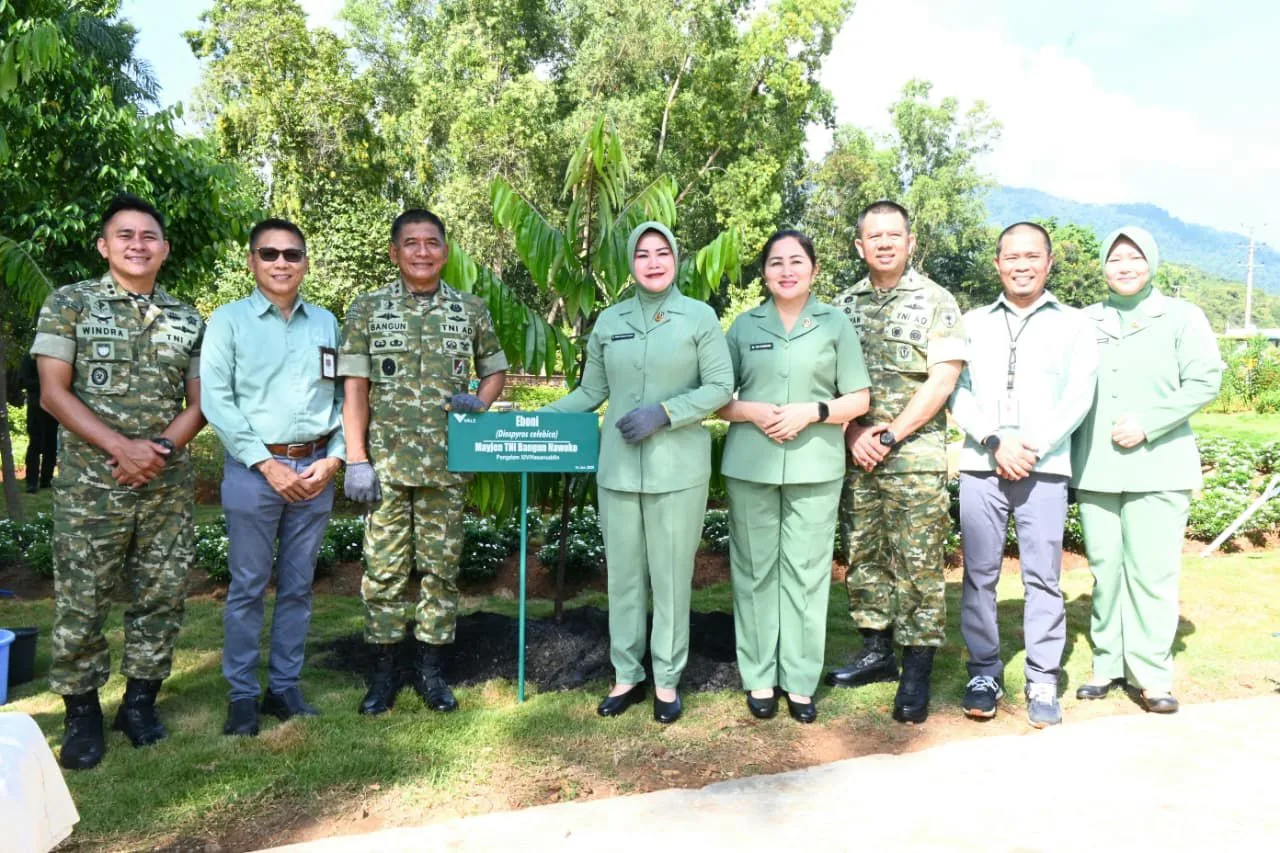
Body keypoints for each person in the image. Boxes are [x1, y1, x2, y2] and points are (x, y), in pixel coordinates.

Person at [30, 194, 205, 770]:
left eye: (148, 236)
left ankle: (139, 704)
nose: (137, 244)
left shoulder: (187, 317)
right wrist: (122, 448)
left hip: (165, 484)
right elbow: (53, 393)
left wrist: (159, 450)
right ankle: (82, 713)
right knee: (83, 600)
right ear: (104, 246)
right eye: (124, 235)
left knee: (162, 596)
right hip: (92, 485)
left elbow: (200, 402)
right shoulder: (70, 303)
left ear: (164, 249)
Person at [543, 221, 733, 724]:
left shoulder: (699, 317)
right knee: (624, 579)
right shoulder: (610, 321)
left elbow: (720, 387)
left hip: (679, 472)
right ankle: (627, 675)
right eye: (643, 254)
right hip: (619, 472)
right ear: (631, 262)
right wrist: (531, 419)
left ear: (676, 259)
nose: (653, 262)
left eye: (662, 252)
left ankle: (667, 680)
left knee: (670, 580)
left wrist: (666, 413)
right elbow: (590, 392)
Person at [339, 209, 508, 715]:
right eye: (410, 243)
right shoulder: (367, 309)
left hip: (446, 464)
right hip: (386, 467)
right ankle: (385, 673)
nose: (421, 252)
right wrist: (356, 459)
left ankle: (432, 673)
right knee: (383, 572)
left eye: (431, 242)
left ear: (445, 252)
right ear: (395, 252)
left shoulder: (470, 309)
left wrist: (481, 401)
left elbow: (495, 370)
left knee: (440, 570)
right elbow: (355, 389)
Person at [948, 222, 1098, 727]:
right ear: (998, 264)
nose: (1022, 265)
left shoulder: (1075, 324)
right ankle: (984, 672)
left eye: (1032, 256)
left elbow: (1079, 395)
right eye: (1012, 256)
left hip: (1044, 468)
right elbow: (956, 390)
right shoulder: (972, 322)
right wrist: (995, 440)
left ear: (1049, 263)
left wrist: (1031, 447)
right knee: (979, 576)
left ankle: (1042, 678)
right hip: (982, 465)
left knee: (1043, 578)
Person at [718, 230, 870, 723]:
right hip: (751, 465)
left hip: (815, 465)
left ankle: (800, 681)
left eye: (797, 261)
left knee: (807, 574)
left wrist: (813, 411)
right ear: (764, 273)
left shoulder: (835, 324)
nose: (787, 270)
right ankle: (759, 677)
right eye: (776, 262)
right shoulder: (743, 326)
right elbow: (717, 398)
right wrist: (752, 410)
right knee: (754, 572)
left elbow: (859, 399)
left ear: (814, 269)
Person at [201, 218, 345, 736]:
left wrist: (335, 458)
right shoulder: (228, 322)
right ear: (251, 261)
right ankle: (242, 695)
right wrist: (266, 464)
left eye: (291, 254)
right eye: (269, 253)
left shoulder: (326, 323)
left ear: (305, 262)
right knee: (247, 586)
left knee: (299, 586)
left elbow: (346, 397)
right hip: (253, 473)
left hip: (315, 471)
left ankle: (284, 687)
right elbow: (216, 400)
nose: (281, 262)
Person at [825, 200, 966, 724]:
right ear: (859, 245)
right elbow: (827, 382)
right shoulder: (841, 306)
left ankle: (917, 668)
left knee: (918, 563)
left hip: (913, 457)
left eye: (893, 235)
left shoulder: (937, 301)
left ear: (910, 242)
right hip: (858, 454)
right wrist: (852, 432)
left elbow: (943, 379)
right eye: (873, 236)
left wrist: (889, 435)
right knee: (864, 554)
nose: (884, 243)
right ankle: (876, 652)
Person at [1071, 226, 1221, 714]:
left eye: (1135, 257)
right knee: (1106, 571)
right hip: (1096, 467)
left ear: (1152, 263)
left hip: (1159, 466)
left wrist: (1149, 423)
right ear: (1103, 266)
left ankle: (1151, 674)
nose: (1125, 267)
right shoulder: (1084, 320)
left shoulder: (1182, 317)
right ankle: (1107, 663)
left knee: (1152, 574)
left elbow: (1205, 380)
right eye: (1115, 258)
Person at [19, 353, 58, 492]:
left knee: (51, 445)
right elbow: (23, 381)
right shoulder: (30, 357)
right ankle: (31, 482)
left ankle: (47, 480)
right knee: (35, 444)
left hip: (53, 406)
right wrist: (46, 382)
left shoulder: (55, 357)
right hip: (36, 406)